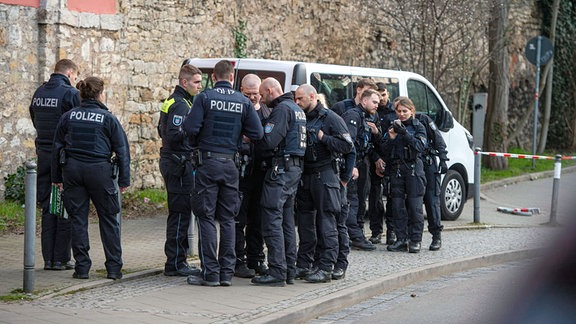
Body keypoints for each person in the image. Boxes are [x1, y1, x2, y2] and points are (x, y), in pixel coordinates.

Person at [183, 60, 263, 287]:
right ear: (232, 78)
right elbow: (257, 133)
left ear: (214, 77)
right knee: (228, 219)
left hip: (207, 163)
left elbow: (190, 129)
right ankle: (227, 273)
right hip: (231, 165)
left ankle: (211, 273)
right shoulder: (243, 102)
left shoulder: (204, 98)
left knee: (206, 217)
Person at [51, 76, 131, 279]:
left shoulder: (68, 117)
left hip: (73, 171)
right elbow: (122, 150)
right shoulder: (108, 118)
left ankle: (82, 268)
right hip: (100, 172)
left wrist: (56, 177)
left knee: (78, 219)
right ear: (100, 94)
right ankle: (113, 269)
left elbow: (57, 148)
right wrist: (124, 180)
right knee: (109, 219)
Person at [294, 85, 353, 283]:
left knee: (327, 223)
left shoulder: (331, 119)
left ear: (312, 97)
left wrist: (324, 138)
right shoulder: (302, 117)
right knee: (305, 224)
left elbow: (346, 145)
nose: (297, 102)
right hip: (307, 175)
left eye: (301, 98)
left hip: (325, 174)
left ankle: (327, 267)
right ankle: (304, 264)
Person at [250, 77, 306, 287]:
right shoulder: (296, 108)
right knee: (286, 221)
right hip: (294, 170)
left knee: (272, 217)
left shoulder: (282, 109)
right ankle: (289, 269)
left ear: (271, 90)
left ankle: (276, 271)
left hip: (281, 171)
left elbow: (268, 141)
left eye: (263, 96)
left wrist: (253, 135)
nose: (262, 101)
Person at [29, 58, 80, 271]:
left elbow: (34, 117)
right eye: (75, 78)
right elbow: (78, 120)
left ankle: (48, 259)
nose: (75, 81)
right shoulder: (70, 93)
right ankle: (61, 258)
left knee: (47, 206)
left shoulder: (39, 92)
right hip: (62, 156)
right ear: (69, 74)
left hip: (43, 153)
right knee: (64, 205)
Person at [158, 64, 203, 277]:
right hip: (178, 164)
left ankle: (177, 260)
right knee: (180, 214)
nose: (199, 86)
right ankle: (175, 262)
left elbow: (161, 129)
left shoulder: (174, 101)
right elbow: (173, 133)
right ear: (184, 82)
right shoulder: (181, 105)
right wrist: (193, 132)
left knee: (180, 213)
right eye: (196, 82)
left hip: (173, 161)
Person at [374, 96, 427, 253]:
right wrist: (391, 139)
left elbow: (419, 147)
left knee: (415, 207)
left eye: (405, 111)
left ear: (412, 111)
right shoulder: (392, 127)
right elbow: (384, 150)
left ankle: (415, 240)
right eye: (399, 111)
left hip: (413, 170)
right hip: (396, 170)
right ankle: (401, 239)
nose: (402, 114)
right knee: (397, 207)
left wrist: (404, 134)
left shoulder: (419, 127)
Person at [234, 74, 271, 278]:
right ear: (241, 91)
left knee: (257, 221)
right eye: (248, 94)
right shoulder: (238, 110)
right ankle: (238, 260)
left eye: (255, 94)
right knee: (238, 220)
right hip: (241, 174)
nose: (252, 98)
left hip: (261, 174)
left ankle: (256, 258)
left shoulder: (268, 112)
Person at [340, 89, 381, 251]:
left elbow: (369, 143)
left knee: (359, 200)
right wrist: (352, 166)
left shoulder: (367, 117)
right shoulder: (353, 116)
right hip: (352, 164)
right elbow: (348, 144)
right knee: (352, 201)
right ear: (364, 101)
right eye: (374, 102)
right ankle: (355, 236)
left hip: (362, 163)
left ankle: (355, 234)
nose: (377, 105)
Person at [368, 82, 397, 245]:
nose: (381, 98)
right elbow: (369, 142)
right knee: (375, 199)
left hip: (392, 160)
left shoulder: (396, 112)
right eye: (378, 96)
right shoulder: (372, 113)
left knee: (393, 197)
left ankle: (391, 231)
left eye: (383, 94)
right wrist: (376, 159)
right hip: (375, 160)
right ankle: (376, 231)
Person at [415, 112, 448, 251]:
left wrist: (443, 159)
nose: (402, 113)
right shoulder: (398, 120)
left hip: (428, 165)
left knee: (431, 201)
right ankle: (412, 238)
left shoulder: (423, 119)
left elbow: (438, 140)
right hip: (413, 165)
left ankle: (436, 236)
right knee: (412, 203)